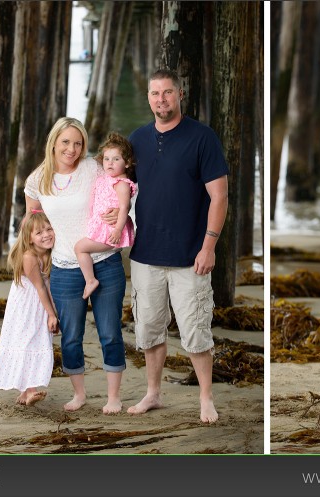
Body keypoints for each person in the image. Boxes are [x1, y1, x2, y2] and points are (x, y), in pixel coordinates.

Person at [122, 69, 229, 424]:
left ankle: (205, 398)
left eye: (168, 92)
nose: (161, 99)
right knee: (149, 328)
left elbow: (220, 196)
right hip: (145, 254)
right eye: (155, 93)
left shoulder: (202, 138)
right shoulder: (137, 139)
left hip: (190, 256)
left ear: (180, 94)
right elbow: (119, 186)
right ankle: (153, 394)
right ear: (149, 97)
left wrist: (208, 246)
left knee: (196, 331)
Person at [24, 117, 126, 414]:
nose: (72, 149)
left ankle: (113, 397)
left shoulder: (93, 168)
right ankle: (79, 394)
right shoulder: (37, 180)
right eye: (66, 141)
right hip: (65, 268)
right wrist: (35, 261)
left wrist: (120, 213)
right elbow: (33, 224)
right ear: (54, 141)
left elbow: (123, 187)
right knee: (70, 336)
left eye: (78, 143)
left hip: (104, 261)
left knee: (110, 332)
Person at [0, 211, 59, 406]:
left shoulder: (50, 253)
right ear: (29, 239)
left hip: (38, 304)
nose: (46, 235)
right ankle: (31, 389)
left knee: (33, 340)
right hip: (26, 307)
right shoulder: (29, 257)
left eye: (49, 229)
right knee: (26, 341)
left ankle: (25, 393)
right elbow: (40, 287)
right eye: (39, 233)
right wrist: (52, 314)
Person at [74, 132, 138, 299]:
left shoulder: (121, 184)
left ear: (127, 163)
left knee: (80, 248)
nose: (110, 163)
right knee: (81, 247)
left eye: (116, 159)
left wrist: (118, 230)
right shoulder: (107, 177)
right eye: (107, 159)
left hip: (110, 231)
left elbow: (124, 208)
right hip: (103, 227)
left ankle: (90, 280)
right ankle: (90, 279)